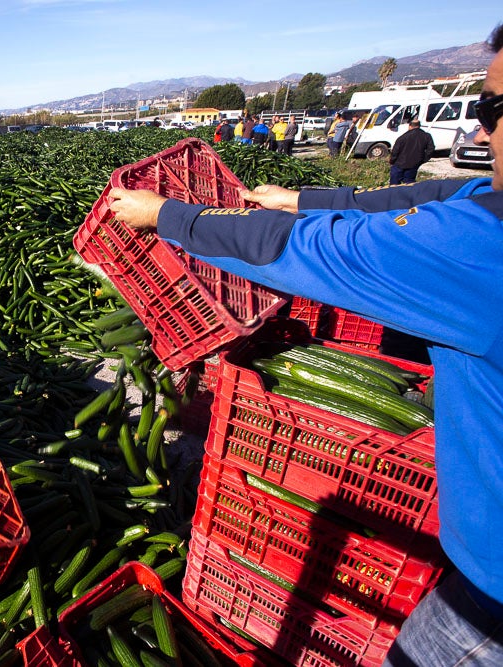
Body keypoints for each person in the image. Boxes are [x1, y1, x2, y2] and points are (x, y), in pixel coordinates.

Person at [108, 22, 503, 665]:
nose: (481, 129)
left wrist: (166, 217)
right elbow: (439, 192)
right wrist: (304, 197)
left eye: (494, 108)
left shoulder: (484, 247)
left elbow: (298, 251)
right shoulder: (489, 205)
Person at [389, 119, 435, 185]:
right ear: (419, 126)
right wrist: (423, 159)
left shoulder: (402, 137)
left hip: (399, 164)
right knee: (409, 184)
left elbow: (395, 151)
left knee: (394, 185)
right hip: (414, 164)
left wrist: (392, 161)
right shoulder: (426, 136)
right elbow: (431, 149)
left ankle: (395, 194)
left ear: (410, 126)